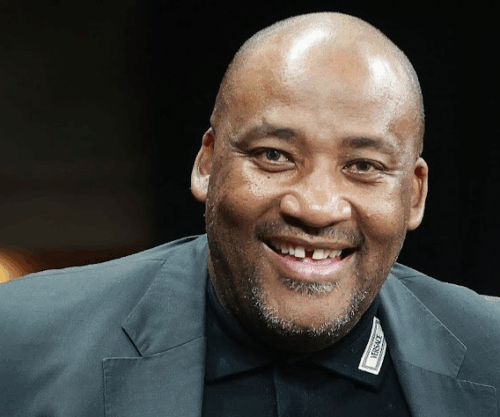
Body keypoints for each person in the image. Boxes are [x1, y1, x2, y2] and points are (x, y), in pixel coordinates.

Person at [0, 12, 499, 417]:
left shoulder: (491, 354)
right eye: (274, 155)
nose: (315, 207)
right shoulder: (21, 342)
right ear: (207, 164)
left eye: (363, 166)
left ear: (414, 195)